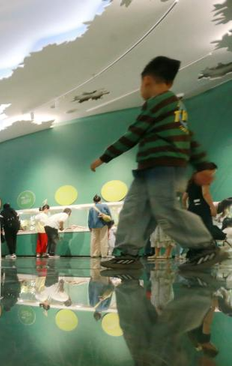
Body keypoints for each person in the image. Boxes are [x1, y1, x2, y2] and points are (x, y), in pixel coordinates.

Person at [92, 56, 225, 270]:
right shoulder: (176, 106)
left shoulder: (157, 102)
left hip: (164, 167)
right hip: (149, 169)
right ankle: (127, 253)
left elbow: (134, 133)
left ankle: (204, 247)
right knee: (134, 209)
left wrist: (104, 157)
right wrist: (202, 165)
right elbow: (188, 138)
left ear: (146, 81)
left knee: (166, 210)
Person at [183, 164, 225, 241]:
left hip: (192, 208)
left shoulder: (191, 181)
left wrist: (186, 209)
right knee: (207, 231)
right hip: (202, 208)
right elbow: (205, 193)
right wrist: (212, 207)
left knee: (194, 232)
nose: (212, 175)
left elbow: (184, 198)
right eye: (212, 172)